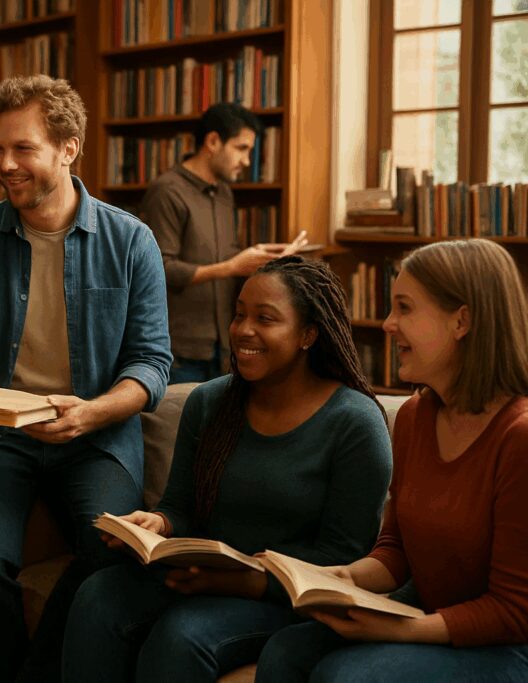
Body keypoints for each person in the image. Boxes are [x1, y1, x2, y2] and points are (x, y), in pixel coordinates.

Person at [0, 75, 173, 682]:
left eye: (23, 148)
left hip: (98, 432)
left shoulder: (131, 240)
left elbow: (152, 362)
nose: (5, 164)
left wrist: (94, 412)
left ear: (68, 148)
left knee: (112, 553)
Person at [62, 256, 393, 682]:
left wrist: (244, 581)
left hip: (285, 598)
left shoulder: (355, 423)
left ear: (308, 334)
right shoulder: (210, 402)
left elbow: (344, 556)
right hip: (200, 576)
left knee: (182, 636)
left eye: (265, 318)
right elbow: (181, 507)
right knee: (97, 596)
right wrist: (159, 523)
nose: (243, 331)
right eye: (239, 315)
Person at [256, 239, 528, 682]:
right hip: (432, 612)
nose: (387, 324)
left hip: (510, 647)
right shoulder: (416, 416)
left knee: (348, 676)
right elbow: (397, 549)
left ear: (463, 321)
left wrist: (404, 629)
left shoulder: (519, 437)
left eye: (404, 308)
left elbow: (515, 611)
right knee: (286, 649)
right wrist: (342, 577)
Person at [138, 102, 307, 384]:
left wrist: (263, 259)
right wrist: (231, 266)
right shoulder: (167, 191)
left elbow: (225, 257)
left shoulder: (224, 192)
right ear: (213, 141)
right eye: (242, 148)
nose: (247, 161)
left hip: (224, 346)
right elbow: (160, 269)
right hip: (180, 350)